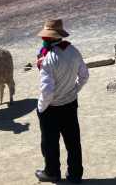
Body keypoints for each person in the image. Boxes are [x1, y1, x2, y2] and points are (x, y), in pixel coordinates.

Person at [35, 19, 89, 184]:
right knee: (73, 142)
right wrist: (74, 91)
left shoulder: (48, 59)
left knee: (50, 143)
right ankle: (75, 175)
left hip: (51, 108)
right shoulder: (73, 51)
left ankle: (51, 172)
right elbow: (84, 76)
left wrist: (41, 107)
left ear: (48, 38)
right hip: (70, 104)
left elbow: (47, 91)